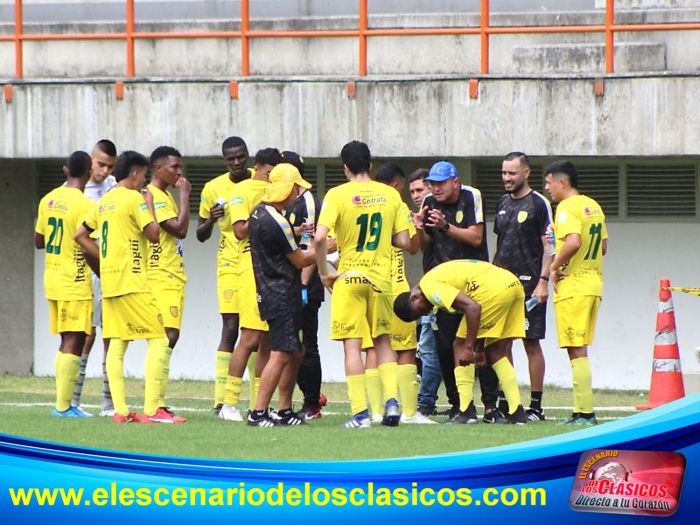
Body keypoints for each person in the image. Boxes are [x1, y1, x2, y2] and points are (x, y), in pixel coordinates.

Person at [75, 151, 181, 424]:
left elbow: (80, 234)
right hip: (134, 281)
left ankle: (121, 411)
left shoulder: (104, 202)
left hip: (110, 283)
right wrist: (149, 203)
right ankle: (151, 410)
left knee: (118, 345)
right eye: (144, 175)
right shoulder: (135, 198)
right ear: (135, 174)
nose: (144, 181)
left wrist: (102, 259)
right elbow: (155, 235)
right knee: (159, 339)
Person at [314, 140, 410, 428]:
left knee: (353, 347)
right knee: (383, 341)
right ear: (370, 165)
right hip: (382, 279)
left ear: (345, 168)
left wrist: (322, 272)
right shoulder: (391, 195)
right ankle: (392, 403)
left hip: (349, 277)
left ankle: (360, 414)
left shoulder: (337, 194)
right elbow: (405, 241)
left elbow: (319, 238)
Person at [413, 161, 500, 423]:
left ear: (456, 182)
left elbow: (476, 237)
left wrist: (445, 227)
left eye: (441, 183)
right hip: (444, 285)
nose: (435, 188)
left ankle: (490, 407)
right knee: (445, 347)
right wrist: (420, 229)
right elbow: (424, 245)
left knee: (481, 347)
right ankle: (459, 406)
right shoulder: (428, 200)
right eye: (433, 183)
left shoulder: (471, 196)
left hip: (475, 284)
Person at [393, 259, 528, 425]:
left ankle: (466, 411)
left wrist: (469, 348)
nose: (426, 311)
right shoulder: (433, 277)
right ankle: (517, 412)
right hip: (512, 284)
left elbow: (473, 308)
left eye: (420, 310)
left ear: (415, 297)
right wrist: (479, 349)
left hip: (493, 291)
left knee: (459, 345)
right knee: (497, 352)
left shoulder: (430, 287)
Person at [247, 164, 317, 426]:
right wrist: (325, 247)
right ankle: (258, 412)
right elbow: (299, 259)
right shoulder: (277, 221)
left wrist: (295, 232)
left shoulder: (260, 213)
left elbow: (278, 241)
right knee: (281, 353)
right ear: (288, 188)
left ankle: (284, 411)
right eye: (296, 187)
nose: (298, 193)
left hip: (269, 291)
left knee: (295, 350)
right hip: (282, 294)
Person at [218, 148, 283, 422]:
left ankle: (260, 404)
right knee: (250, 336)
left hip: (273, 266)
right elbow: (240, 229)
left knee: (268, 338)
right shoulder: (242, 191)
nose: (273, 178)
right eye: (271, 172)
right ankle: (228, 404)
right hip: (250, 266)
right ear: (259, 168)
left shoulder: (278, 191)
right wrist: (265, 212)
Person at [368, 163, 434, 424]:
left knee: (373, 347)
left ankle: (374, 410)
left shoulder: (362, 203)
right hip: (394, 286)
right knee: (405, 348)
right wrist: (417, 225)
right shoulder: (398, 207)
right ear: (396, 186)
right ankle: (407, 412)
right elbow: (413, 248)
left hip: (367, 284)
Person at [544, 160, 607, 426]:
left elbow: (574, 241)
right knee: (579, 348)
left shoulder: (566, 207)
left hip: (574, 286)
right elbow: (602, 247)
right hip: (593, 284)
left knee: (576, 349)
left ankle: (584, 413)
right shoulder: (593, 206)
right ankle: (583, 411)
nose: (547, 189)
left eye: (548, 183)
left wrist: (554, 267)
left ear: (562, 182)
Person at [493, 152, 553, 423]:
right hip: (502, 286)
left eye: (512, 173)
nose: (507, 178)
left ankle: (536, 407)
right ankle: (509, 403)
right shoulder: (502, 202)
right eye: (504, 173)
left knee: (531, 343)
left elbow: (548, 246)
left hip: (530, 285)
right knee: (501, 344)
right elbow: (500, 244)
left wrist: (543, 281)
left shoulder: (539, 203)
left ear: (526, 173)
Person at [35, 151, 95, 418]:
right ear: (89, 172)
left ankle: (63, 402)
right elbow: (89, 244)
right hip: (74, 279)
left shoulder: (47, 200)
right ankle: (62, 406)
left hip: (52, 277)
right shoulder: (85, 205)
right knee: (76, 338)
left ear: (65, 169)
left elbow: (39, 241)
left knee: (66, 339)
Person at [196, 137, 253, 416]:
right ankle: (221, 401)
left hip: (257, 265)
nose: (237, 162)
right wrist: (210, 219)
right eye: (230, 158)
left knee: (257, 331)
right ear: (224, 160)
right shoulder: (213, 188)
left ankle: (257, 401)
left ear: (248, 156)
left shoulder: (260, 182)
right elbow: (200, 235)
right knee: (231, 328)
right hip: (229, 265)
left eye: (241, 156)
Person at [71, 139, 118, 417]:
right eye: (101, 164)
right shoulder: (79, 190)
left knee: (110, 334)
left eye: (110, 166)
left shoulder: (114, 186)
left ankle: (108, 402)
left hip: (109, 270)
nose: (104, 171)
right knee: (85, 333)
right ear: (91, 160)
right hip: (85, 268)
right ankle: (73, 399)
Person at [280, 151, 326, 420]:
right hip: (292, 284)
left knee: (307, 343)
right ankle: (311, 393)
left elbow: (312, 245)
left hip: (305, 284)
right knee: (292, 344)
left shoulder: (307, 202)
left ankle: (311, 405)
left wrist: (304, 285)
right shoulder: (288, 203)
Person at [144, 146, 190, 410]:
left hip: (172, 276)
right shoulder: (157, 196)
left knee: (169, 337)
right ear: (159, 168)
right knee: (166, 337)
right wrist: (185, 195)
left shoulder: (163, 195)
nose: (179, 173)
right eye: (175, 167)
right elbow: (181, 230)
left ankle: (158, 402)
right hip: (161, 276)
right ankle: (155, 405)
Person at [408, 168, 442, 416]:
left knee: (432, 346)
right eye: (412, 192)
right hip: (431, 286)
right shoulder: (423, 214)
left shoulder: (449, 208)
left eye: (420, 190)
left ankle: (428, 402)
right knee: (428, 346)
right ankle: (427, 402)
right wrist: (420, 227)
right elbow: (423, 248)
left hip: (451, 288)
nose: (416, 196)